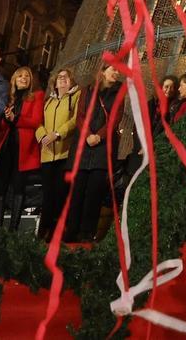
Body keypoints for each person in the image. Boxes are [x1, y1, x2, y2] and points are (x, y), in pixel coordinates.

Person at [65, 64, 123, 242]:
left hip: (102, 149)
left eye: (118, 70)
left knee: (94, 193)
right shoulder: (87, 90)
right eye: (112, 69)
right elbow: (80, 115)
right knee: (77, 191)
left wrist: (99, 136)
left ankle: (87, 233)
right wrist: (88, 135)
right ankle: (71, 230)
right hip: (83, 147)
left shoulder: (119, 93)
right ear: (103, 72)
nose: (116, 72)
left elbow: (115, 118)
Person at [0, 66, 44, 231]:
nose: (23, 78)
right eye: (20, 76)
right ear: (14, 79)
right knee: (0, 186)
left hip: (24, 148)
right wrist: (6, 119)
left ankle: (13, 229)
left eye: (27, 76)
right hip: (6, 147)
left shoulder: (37, 96)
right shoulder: (8, 98)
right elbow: (0, 125)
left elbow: (35, 121)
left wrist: (16, 118)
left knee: (18, 187)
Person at [36, 68, 80, 241]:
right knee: (47, 194)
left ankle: (55, 232)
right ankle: (43, 230)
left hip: (64, 154)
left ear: (71, 80)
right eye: (59, 77)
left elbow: (75, 119)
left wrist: (57, 133)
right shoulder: (48, 101)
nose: (62, 79)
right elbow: (38, 122)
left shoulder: (76, 96)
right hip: (47, 154)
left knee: (60, 194)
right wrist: (42, 136)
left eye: (66, 77)